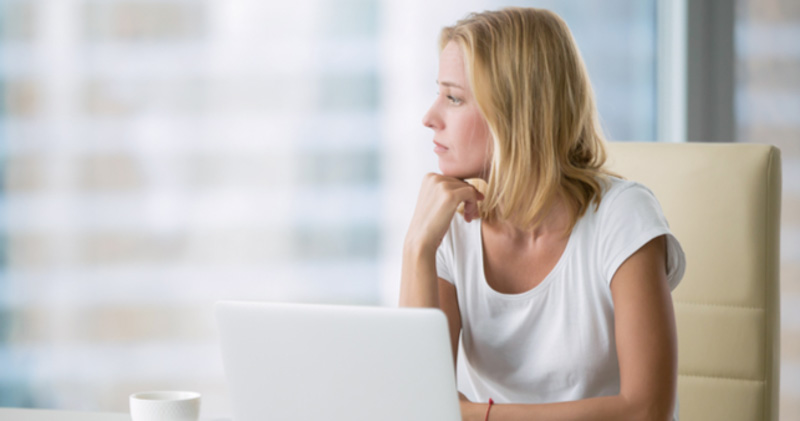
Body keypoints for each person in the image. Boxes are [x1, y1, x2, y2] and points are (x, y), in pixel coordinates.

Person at [399, 7, 686, 421]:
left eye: (453, 98)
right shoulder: (447, 225)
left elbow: (646, 410)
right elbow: (414, 408)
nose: (430, 118)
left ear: (516, 114)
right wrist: (417, 246)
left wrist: (474, 415)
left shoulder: (622, 217)